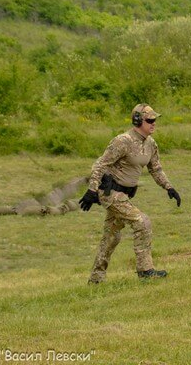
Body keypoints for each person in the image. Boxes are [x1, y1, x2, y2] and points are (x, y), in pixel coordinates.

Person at [79, 103, 181, 284]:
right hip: (111, 193)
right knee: (142, 222)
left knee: (112, 237)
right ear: (137, 121)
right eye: (150, 120)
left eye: (155, 120)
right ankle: (145, 270)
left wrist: (169, 188)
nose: (154, 123)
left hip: (125, 195)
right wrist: (92, 190)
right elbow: (101, 165)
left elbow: (155, 169)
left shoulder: (150, 144)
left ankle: (96, 279)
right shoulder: (122, 141)